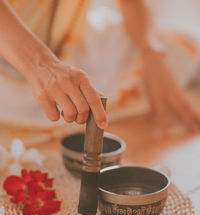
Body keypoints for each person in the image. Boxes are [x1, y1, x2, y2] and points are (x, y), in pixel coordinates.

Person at [0, 0, 200, 133]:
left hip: (70, 42)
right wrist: (41, 65)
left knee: (180, 46)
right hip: (11, 54)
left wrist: (152, 56)